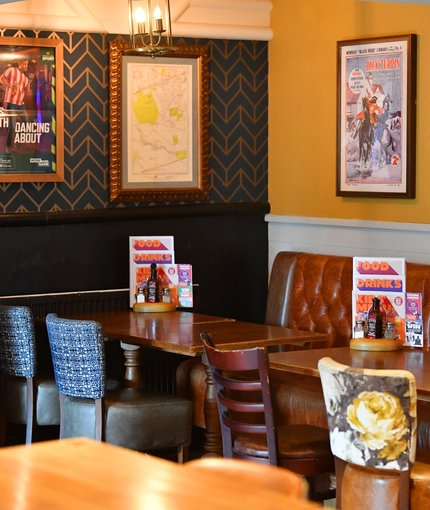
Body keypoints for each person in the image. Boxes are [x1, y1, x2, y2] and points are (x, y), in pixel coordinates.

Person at [0, 58, 29, 154]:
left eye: (27, 65)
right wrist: (10, 85)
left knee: (26, 122)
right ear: (19, 63)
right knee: (12, 126)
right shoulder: (12, 70)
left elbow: (24, 92)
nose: (26, 66)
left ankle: (18, 142)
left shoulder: (25, 78)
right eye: (24, 64)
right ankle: (8, 146)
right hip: (11, 103)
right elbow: (1, 78)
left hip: (20, 104)